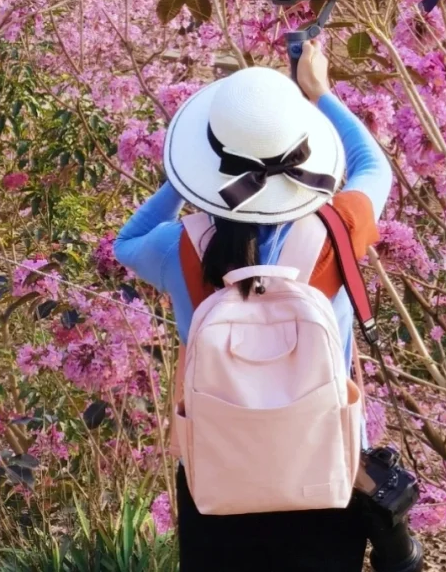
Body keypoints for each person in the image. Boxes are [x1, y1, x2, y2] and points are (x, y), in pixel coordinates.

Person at [114, 41, 417, 572]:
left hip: (219, 475)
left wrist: (184, 181)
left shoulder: (177, 247)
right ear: (301, 147)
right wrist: (320, 90)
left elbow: (126, 241)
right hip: (325, 470)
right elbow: (373, 164)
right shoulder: (338, 229)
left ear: (208, 164)